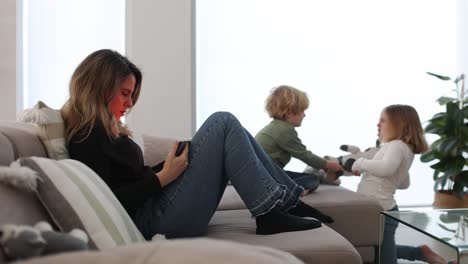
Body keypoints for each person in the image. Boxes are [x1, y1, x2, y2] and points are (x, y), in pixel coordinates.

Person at [61, 49, 332, 240]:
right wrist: (164, 177)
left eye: (131, 95)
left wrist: (164, 167)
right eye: (125, 94)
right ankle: (272, 212)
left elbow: (127, 179)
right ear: (99, 86)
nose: (130, 103)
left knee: (227, 129)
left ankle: (285, 201)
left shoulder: (102, 130)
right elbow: (108, 200)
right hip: (151, 222)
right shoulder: (86, 136)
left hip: (156, 207)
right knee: (222, 123)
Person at [349, 104, 448, 264]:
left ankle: (421, 253)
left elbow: (387, 169)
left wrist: (361, 162)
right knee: (378, 250)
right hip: (381, 210)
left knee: (385, 258)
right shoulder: (400, 147)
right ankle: (420, 253)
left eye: (383, 120)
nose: (378, 124)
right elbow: (404, 183)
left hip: (383, 212)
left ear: (399, 124)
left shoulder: (396, 146)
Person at [255, 85, 343, 195]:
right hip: (265, 176)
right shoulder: (284, 130)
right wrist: (329, 164)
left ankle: (287, 187)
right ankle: (288, 190)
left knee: (306, 177)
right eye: (302, 111)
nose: (304, 115)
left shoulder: (275, 127)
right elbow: (305, 155)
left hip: (263, 174)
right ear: (289, 112)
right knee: (311, 180)